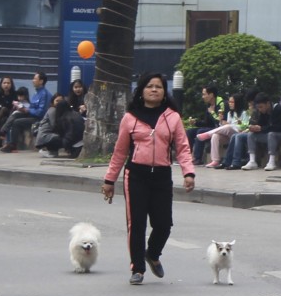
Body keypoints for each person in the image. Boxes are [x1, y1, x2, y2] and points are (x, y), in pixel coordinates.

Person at [101, 73, 195, 285]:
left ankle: (152, 254)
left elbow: (182, 147)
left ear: (164, 92)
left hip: (161, 176)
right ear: (142, 91)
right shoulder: (130, 118)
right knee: (136, 224)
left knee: (163, 224)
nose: (154, 90)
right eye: (150, 86)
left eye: (159, 87)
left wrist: (188, 173)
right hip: (135, 175)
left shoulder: (172, 117)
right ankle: (138, 268)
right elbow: (119, 152)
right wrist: (109, 180)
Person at [1, 72, 52, 152]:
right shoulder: (36, 93)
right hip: (31, 115)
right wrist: (22, 108)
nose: (33, 80)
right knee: (16, 113)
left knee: (16, 122)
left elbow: (40, 113)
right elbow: (32, 107)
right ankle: (3, 131)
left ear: (41, 81)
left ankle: (12, 144)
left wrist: (27, 110)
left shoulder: (44, 94)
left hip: (38, 119)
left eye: (35, 79)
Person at [241, 93, 281, 171]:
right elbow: (262, 125)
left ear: (268, 104)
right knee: (251, 134)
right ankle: (252, 161)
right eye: (258, 107)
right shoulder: (263, 113)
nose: (260, 109)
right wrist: (255, 128)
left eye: (261, 107)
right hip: (270, 135)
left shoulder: (278, 109)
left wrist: (261, 128)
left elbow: (277, 127)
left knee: (271, 134)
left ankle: (271, 162)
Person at [199, 93, 249, 168]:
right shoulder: (230, 113)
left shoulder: (244, 113)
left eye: (232, 102)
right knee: (215, 136)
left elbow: (245, 126)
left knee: (228, 127)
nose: (230, 104)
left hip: (239, 133)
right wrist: (221, 121)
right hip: (229, 134)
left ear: (237, 103)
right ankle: (215, 160)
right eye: (229, 102)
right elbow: (225, 127)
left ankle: (208, 134)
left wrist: (233, 124)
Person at [187, 85, 225, 165]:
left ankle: (197, 158)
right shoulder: (209, 105)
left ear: (211, 95)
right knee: (190, 131)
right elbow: (206, 123)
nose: (203, 97)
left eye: (204, 94)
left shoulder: (222, 104)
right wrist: (195, 122)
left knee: (201, 131)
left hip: (219, 129)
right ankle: (187, 156)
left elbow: (220, 121)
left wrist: (212, 112)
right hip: (210, 128)